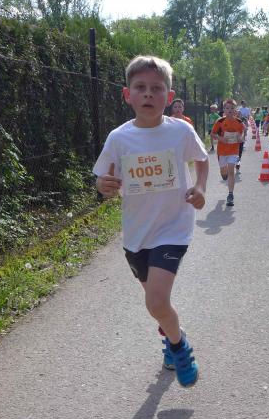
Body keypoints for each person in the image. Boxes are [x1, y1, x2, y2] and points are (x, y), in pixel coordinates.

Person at [94, 55, 208, 388]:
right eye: (140, 87)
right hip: (136, 235)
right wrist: (103, 186)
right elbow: (103, 179)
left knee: (156, 301)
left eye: (156, 88)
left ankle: (180, 348)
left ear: (169, 97)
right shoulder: (118, 138)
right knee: (158, 305)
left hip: (174, 229)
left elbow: (201, 160)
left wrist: (200, 187)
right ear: (126, 95)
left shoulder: (181, 131)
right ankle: (174, 333)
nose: (148, 94)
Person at [211, 98, 246, 206]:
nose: (229, 110)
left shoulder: (239, 122)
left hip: (233, 150)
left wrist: (240, 138)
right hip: (222, 151)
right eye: (227, 108)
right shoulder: (220, 121)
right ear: (224, 110)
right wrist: (221, 139)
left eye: (232, 108)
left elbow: (242, 134)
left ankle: (230, 195)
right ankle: (223, 174)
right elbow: (213, 134)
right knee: (224, 172)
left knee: (231, 171)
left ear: (235, 110)